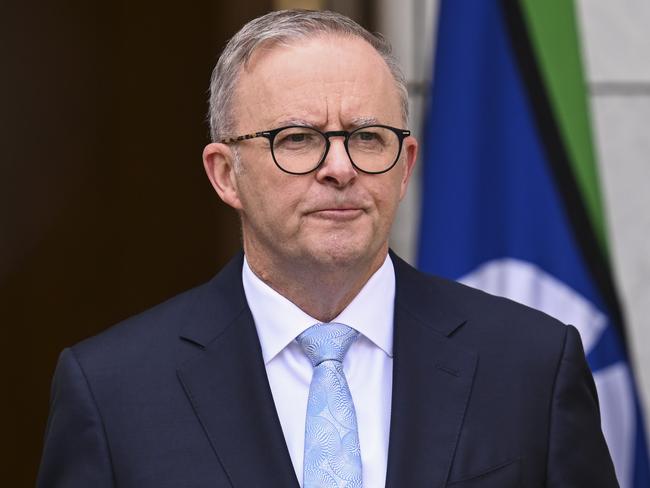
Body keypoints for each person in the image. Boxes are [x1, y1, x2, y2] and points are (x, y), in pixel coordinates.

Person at [37, 9, 618, 488]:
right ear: (225, 174)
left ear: (406, 165)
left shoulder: (530, 366)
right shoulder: (114, 392)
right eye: (297, 139)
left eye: (367, 137)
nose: (339, 168)